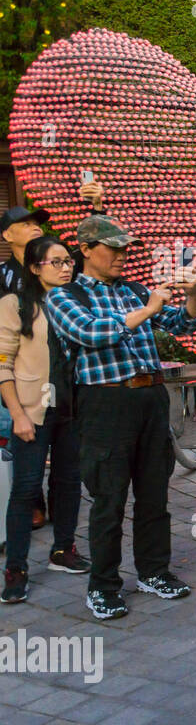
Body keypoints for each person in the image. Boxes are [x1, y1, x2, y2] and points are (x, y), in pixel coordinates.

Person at [45, 215, 196, 620]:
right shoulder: (65, 296)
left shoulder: (133, 290)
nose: (121, 255)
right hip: (104, 404)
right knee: (109, 499)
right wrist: (148, 308)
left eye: (124, 248)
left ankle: (154, 571)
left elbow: (183, 324)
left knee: (154, 493)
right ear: (86, 249)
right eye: (112, 248)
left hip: (150, 397)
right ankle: (103, 585)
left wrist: (193, 294)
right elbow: (93, 334)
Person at [0, 237, 89, 603]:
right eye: (56, 262)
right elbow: (2, 364)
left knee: (68, 483)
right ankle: (16, 568)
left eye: (68, 261)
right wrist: (18, 414)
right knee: (25, 489)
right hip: (32, 413)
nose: (66, 267)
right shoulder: (15, 304)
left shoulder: (75, 303)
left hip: (73, 410)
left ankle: (62, 550)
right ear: (35, 267)